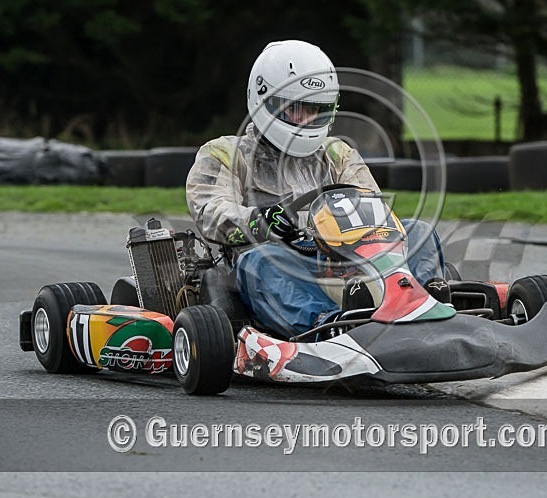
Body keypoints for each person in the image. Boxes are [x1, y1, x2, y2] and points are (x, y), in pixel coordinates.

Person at [186, 39, 446, 338]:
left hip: (348, 262)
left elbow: (375, 209)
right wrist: (259, 220)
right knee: (259, 260)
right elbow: (211, 211)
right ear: (264, 101)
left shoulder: (337, 153)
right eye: (296, 110)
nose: (306, 120)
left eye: (316, 110)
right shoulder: (225, 153)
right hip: (281, 268)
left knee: (417, 230)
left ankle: (422, 301)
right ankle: (330, 325)